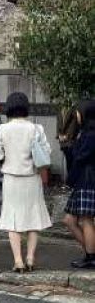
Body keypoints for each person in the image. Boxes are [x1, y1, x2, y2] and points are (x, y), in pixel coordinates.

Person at [0, 92, 52, 272]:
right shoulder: (36, 128)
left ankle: (18, 261)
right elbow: (46, 152)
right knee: (33, 219)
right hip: (32, 179)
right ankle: (30, 258)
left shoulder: (3, 129)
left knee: (13, 219)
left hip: (11, 179)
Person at [63, 99, 95, 269]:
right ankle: (91, 253)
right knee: (69, 220)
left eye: (78, 112)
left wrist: (71, 148)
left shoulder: (90, 135)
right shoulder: (86, 132)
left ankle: (90, 256)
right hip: (84, 180)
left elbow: (80, 156)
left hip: (88, 181)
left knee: (86, 220)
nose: (76, 115)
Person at [57, 106, 80, 177]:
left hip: (71, 141)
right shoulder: (60, 109)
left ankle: (72, 182)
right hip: (63, 142)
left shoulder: (74, 109)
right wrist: (59, 135)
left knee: (72, 163)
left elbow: (74, 124)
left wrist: (67, 136)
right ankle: (70, 182)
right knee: (68, 162)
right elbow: (58, 123)